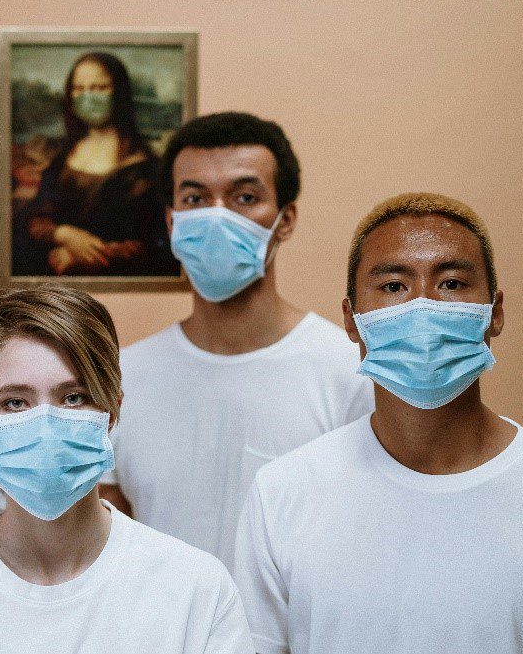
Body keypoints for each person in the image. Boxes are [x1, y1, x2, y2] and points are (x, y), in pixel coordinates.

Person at [234, 193, 523, 653]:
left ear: (494, 313)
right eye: (394, 287)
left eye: (452, 284)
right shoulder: (283, 495)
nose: (422, 308)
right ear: (351, 320)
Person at [0, 286, 253, 654]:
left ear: (111, 412)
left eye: (73, 398)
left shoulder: (195, 592)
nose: (46, 423)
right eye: (16, 403)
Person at [99, 111, 373, 569]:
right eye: (195, 198)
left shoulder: (350, 372)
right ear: (171, 221)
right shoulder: (123, 378)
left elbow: (368, 539)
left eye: (245, 196)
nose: (217, 216)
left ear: (285, 221)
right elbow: (111, 546)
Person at [13, 52, 176, 276]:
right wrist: (64, 234)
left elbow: (155, 243)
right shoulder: (60, 156)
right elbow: (34, 219)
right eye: (79, 89)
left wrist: (83, 255)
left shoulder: (144, 165)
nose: (88, 97)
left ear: (119, 92)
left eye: (99, 88)